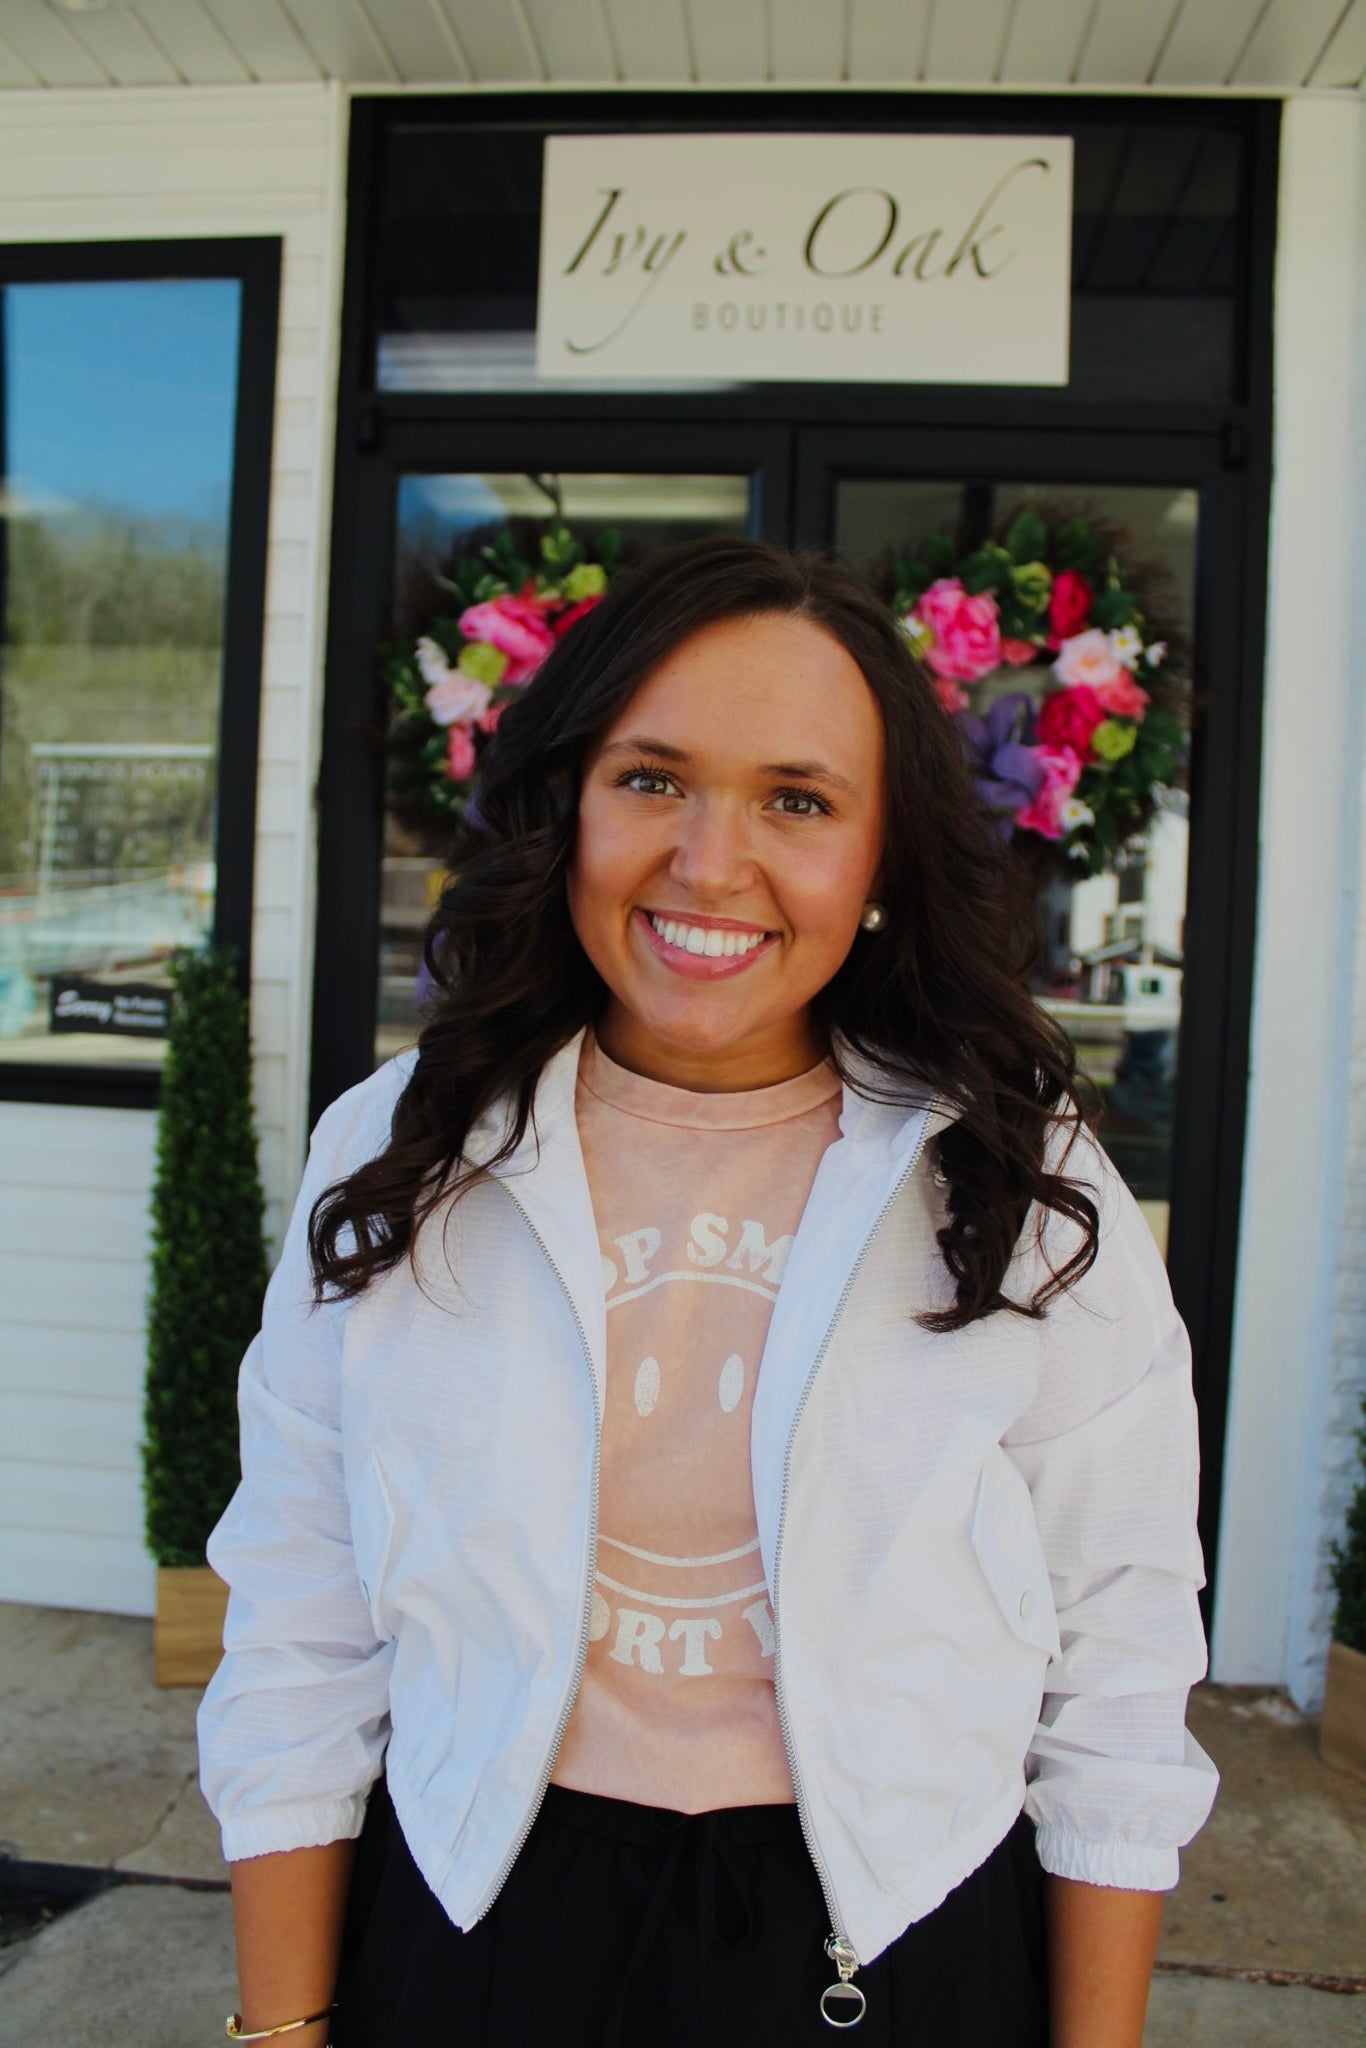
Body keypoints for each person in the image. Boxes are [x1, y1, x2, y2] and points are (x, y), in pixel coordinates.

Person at [198, 538, 1218, 2048]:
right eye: (652, 778)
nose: (708, 862)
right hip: (482, 1918)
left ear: (880, 861)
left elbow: (1119, 1646)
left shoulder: (1006, 1169)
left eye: (796, 802)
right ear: (566, 807)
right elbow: (301, 1614)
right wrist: (281, 2033)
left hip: (898, 1928)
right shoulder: (401, 1143)